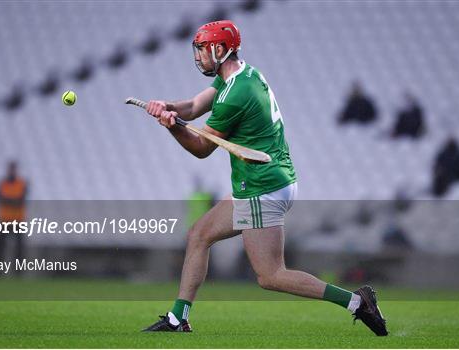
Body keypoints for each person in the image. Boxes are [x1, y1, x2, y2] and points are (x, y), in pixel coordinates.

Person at [143, 20, 387, 336]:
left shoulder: (237, 93)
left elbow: (202, 147)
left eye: (203, 49)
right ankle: (178, 318)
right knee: (199, 235)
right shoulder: (241, 75)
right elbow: (192, 106)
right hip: (267, 181)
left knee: (270, 275)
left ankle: (357, 302)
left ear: (220, 49)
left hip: (262, 186)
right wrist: (169, 108)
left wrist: (172, 127)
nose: (198, 56)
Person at [0, 161, 28, 275]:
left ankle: (18, 273)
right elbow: (1, 199)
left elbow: (20, 201)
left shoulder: (22, 183)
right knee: (0, 248)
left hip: (18, 220)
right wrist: (13, 200)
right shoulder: (2, 183)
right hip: (4, 219)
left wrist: (8, 200)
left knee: (19, 250)